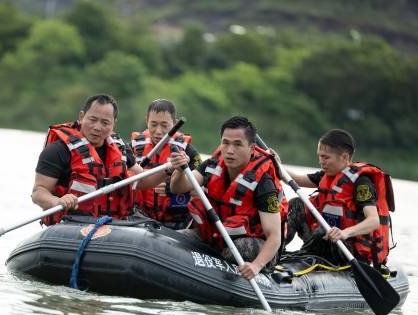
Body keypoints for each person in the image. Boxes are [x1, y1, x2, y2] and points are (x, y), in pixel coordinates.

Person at [169, 116, 286, 280]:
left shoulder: (263, 183)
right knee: (174, 240)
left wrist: (256, 265)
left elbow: (274, 237)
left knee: (234, 250)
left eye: (238, 144)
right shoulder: (212, 166)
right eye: (225, 143)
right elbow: (178, 187)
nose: (230, 150)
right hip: (216, 237)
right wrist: (180, 170)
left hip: (256, 245)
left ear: (252, 149)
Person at [31, 94, 169, 224]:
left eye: (105, 122)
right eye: (92, 119)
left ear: (114, 123)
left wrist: (168, 169)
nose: (97, 127)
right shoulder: (57, 150)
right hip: (72, 223)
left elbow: (143, 180)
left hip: (114, 225)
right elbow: (39, 192)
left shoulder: (120, 148)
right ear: (82, 116)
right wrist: (57, 201)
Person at [284, 129, 394, 268]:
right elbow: (297, 180)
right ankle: (275, 251)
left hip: (349, 249)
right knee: (296, 204)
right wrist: (276, 164)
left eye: (326, 157)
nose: (321, 162)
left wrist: (344, 233)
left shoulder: (361, 183)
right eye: (320, 156)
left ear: (344, 157)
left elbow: (373, 221)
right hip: (324, 238)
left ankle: (303, 258)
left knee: (324, 230)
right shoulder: (327, 175)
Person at [130, 99, 202, 229]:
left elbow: (203, 190)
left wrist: (176, 189)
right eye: (153, 124)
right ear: (147, 121)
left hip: (177, 223)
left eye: (164, 125)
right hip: (139, 221)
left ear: (174, 124)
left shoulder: (188, 151)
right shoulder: (132, 149)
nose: (158, 131)